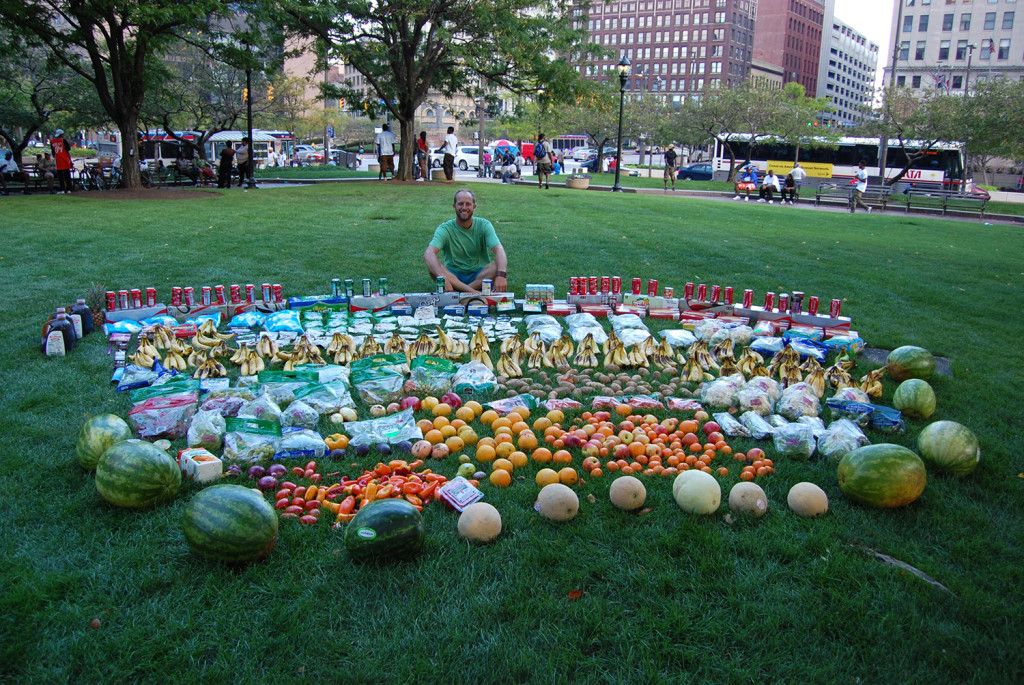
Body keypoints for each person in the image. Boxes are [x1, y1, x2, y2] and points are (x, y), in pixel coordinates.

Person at [424, 189, 508, 294]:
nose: (464, 207)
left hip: (479, 275)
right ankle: (472, 291)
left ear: (474, 206)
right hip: (453, 275)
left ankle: (461, 291)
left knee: (498, 265)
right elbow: (428, 253)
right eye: (460, 204)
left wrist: (501, 275)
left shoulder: (484, 225)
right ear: (454, 206)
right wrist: (443, 278)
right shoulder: (445, 228)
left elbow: (499, 249)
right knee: (435, 267)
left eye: (468, 204)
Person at [50, 129, 73, 194]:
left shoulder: (52, 141)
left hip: (58, 161)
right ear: (61, 134)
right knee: (67, 175)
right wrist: (70, 161)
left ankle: (62, 189)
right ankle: (69, 189)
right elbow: (68, 151)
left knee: (60, 176)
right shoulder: (63, 140)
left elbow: (53, 152)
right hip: (65, 160)